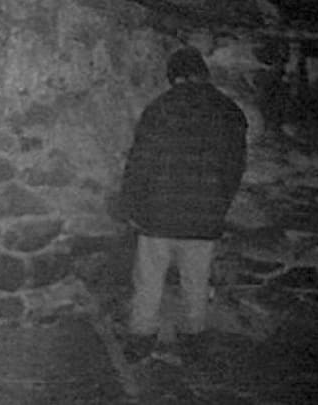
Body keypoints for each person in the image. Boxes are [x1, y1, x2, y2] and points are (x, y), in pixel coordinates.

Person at [118, 46, 247, 359]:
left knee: (149, 280)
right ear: (203, 72)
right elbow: (234, 168)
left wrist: (131, 205)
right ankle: (193, 336)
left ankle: (141, 337)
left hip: (158, 213)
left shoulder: (159, 108)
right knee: (197, 280)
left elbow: (140, 162)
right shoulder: (229, 111)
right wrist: (220, 204)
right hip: (205, 214)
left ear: (173, 76)